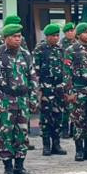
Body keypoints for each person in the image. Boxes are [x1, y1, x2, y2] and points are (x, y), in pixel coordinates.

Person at [0, 23, 37, 174]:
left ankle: (19, 165)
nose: (18, 39)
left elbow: (32, 77)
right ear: (6, 38)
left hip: (22, 101)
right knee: (5, 134)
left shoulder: (25, 54)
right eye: (14, 36)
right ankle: (8, 167)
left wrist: (33, 98)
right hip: (5, 100)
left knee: (22, 134)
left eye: (19, 36)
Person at [65, 23, 87, 162]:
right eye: (85, 32)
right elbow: (67, 73)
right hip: (78, 90)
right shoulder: (71, 50)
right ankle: (79, 151)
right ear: (79, 34)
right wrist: (70, 92)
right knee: (79, 121)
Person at [34, 23, 68, 156]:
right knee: (46, 118)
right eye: (53, 36)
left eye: (57, 35)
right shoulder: (40, 49)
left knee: (58, 117)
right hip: (46, 89)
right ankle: (46, 145)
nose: (55, 38)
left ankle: (56, 144)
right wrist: (38, 90)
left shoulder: (61, 50)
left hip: (59, 89)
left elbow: (65, 69)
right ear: (47, 36)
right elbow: (35, 71)